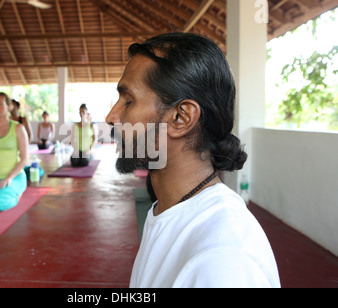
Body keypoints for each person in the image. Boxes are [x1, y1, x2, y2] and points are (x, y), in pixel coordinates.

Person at [105, 33, 280, 288]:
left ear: (181, 118)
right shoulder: (168, 210)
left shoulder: (224, 261)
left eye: (129, 100)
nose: (111, 116)